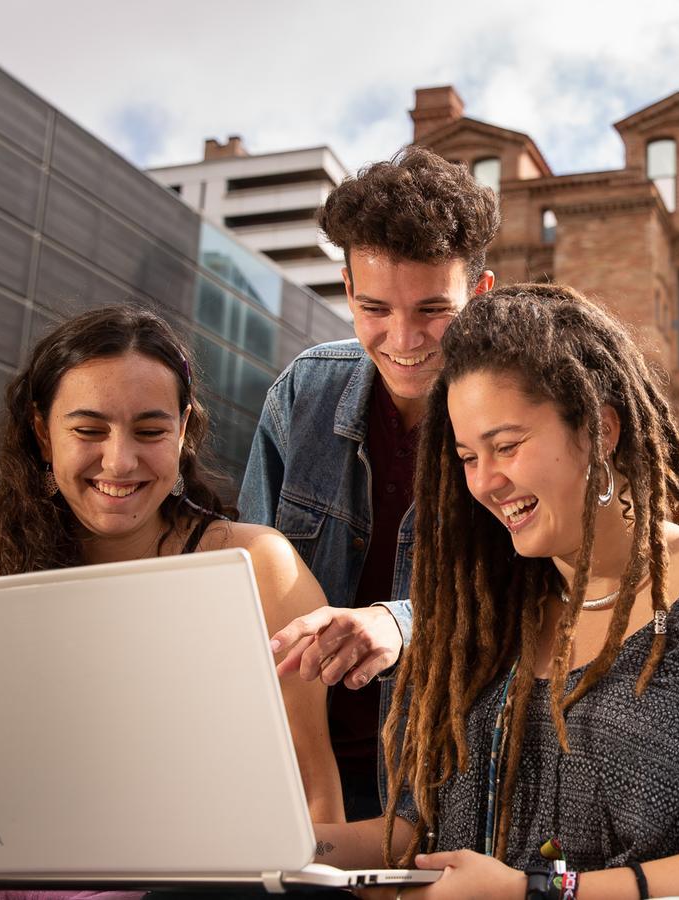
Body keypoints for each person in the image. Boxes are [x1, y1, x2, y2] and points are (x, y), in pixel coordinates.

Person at [284, 284, 679, 899]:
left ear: (600, 429)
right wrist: (295, 845)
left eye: (506, 446)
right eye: (467, 457)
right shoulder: (483, 614)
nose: (486, 482)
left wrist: (535, 891)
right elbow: (421, 833)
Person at [0, 303, 344, 826]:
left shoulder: (257, 566)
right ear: (43, 433)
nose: (119, 461)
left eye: (150, 431)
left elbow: (316, 793)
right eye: (89, 430)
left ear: (182, 431)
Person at [242, 145, 499, 821]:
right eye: (376, 307)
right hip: (295, 772)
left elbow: (534, 596)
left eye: (432, 309)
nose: (404, 338)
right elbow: (240, 582)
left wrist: (400, 622)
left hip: (444, 788)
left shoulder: (519, 417)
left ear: (480, 294)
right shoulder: (303, 394)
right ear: (349, 292)